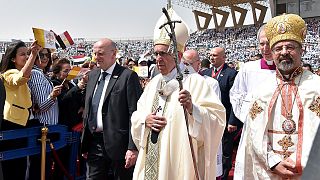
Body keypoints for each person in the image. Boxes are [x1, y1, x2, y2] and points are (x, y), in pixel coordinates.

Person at [131, 8, 225, 180]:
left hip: (178, 161)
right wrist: (145, 119)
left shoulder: (195, 82)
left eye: (164, 53)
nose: (158, 58)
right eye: (156, 53)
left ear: (178, 55)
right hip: (152, 155)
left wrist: (192, 109)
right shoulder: (153, 84)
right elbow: (137, 113)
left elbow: (216, 119)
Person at [245, 14, 320, 179]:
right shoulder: (261, 90)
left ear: (302, 50)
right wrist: (272, 161)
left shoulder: (317, 87)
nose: (284, 52)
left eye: (290, 47)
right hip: (271, 170)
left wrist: (298, 160)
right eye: (278, 48)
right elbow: (254, 132)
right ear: (272, 53)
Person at [81, 38, 142, 179]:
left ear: (113, 54)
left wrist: (132, 147)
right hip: (94, 144)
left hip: (119, 146)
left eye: (100, 53)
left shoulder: (128, 76)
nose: (96, 57)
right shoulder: (92, 76)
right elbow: (89, 109)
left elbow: (135, 113)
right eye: (95, 53)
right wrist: (85, 143)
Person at [229, 24, 276, 180]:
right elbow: (236, 94)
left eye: (269, 43)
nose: (265, 48)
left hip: (276, 131)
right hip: (253, 129)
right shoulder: (248, 69)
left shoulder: (286, 69)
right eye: (262, 43)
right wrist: (250, 116)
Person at [0, 40, 40, 180]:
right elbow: (20, 78)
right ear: (12, 58)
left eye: (27, 53)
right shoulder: (9, 73)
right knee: (13, 167)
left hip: (21, 123)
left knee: (21, 165)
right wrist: (33, 55)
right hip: (12, 122)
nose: (26, 56)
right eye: (23, 54)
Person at [182, 49, 223, 179]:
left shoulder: (210, 83)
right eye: (183, 63)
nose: (185, 67)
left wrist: (194, 110)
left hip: (203, 134)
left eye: (188, 64)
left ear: (198, 64)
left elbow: (214, 115)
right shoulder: (178, 82)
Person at [202, 47, 242, 179]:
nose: (212, 57)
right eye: (210, 55)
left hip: (225, 120)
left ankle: (224, 176)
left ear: (223, 57)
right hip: (209, 120)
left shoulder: (231, 74)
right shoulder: (205, 73)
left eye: (215, 55)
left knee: (225, 151)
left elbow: (234, 100)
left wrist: (232, 121)